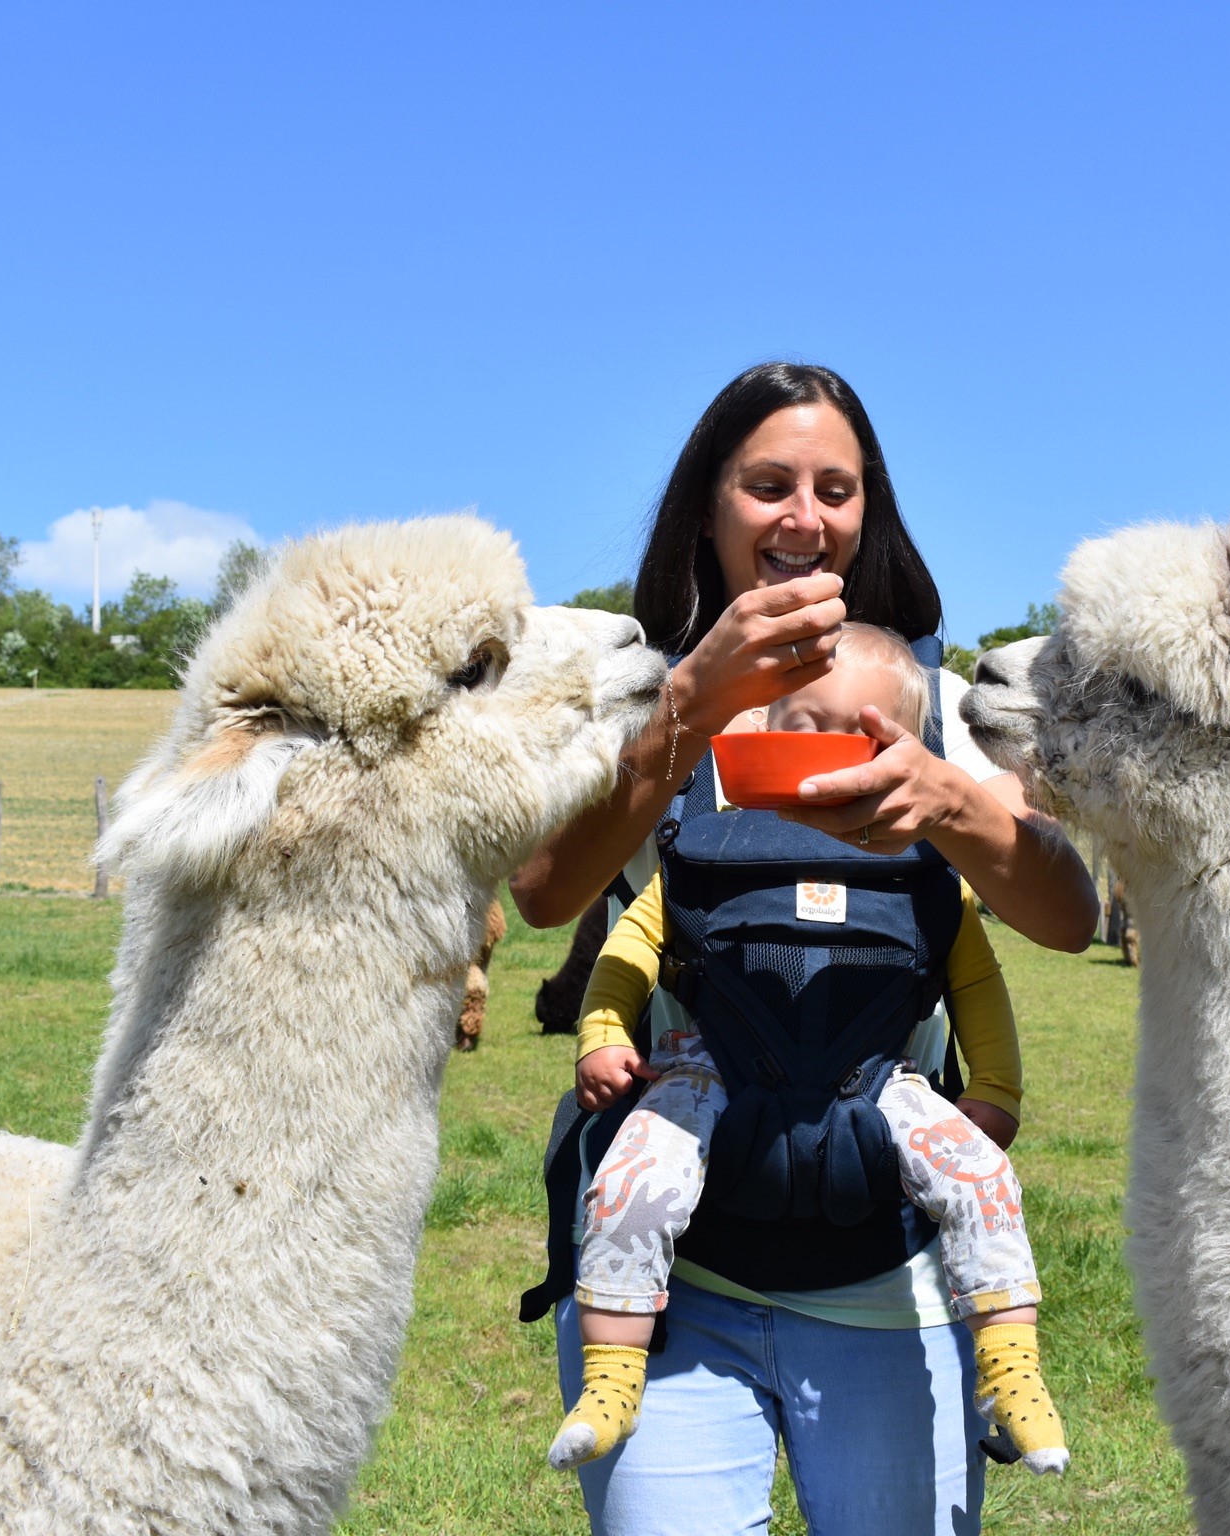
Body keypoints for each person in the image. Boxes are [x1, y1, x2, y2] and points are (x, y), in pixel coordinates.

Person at [511, 361, 1096, 1536]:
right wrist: (693, 702)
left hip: (889, 1265)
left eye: (837, 488)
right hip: (664, 1271)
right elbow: (544, 889)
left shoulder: (919, 692)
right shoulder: (638, 688)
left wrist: (943, 796)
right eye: (768, 484)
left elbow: (1067, 917)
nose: (804, 518)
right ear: (709, 503)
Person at [547, 623, 1066, 1476]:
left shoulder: (926, 862)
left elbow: (974, 981)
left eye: (843, 726)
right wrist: (603, 1034)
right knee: (634, 1182)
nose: (812, 744)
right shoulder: (709, 846)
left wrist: (997, 1090)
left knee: (984, 1181)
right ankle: (612, 1375)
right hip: (702, 1065)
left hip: (881, 1079)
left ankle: (1013, 1377)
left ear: (899, 744)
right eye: (792, 721)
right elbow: (631, 948)